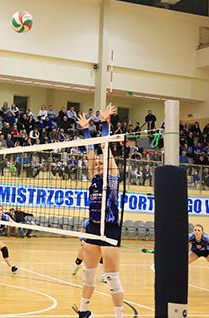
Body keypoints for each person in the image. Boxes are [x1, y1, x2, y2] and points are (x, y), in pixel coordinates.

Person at [74, 104, 124, 318]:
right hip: (93, 228)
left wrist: (105, 123)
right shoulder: (93, 176)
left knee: (111, 277)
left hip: (111, 229)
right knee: (88, 274)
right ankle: (84, 311)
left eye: (101, 164)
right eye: (96, 165)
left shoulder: (112, 179)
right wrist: (85, 130)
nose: (97, 166)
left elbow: (104, 149)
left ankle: (118, 314)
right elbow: (91, 151)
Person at [0, 206, 18, 273]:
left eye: (1, 210)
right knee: (4, 248)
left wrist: (12, 224)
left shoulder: (6, 217)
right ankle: (11, 266)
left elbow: (12, 223)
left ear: (2, 211)